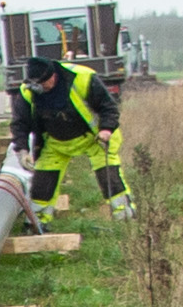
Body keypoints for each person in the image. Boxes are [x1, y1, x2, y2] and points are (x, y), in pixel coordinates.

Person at [17, 43, 126, 226]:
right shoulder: (28, 92)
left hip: (93, 139)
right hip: (56, 143)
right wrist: (22, 149)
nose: (44, 88)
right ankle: (38, 223)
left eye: (46, 83)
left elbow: (108, 107)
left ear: (54, 75)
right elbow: (20, 122)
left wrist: (106, 129)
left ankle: (124, 216)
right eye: (39, 85)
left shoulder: (82, 78)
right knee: (43, 186)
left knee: (109, 177)